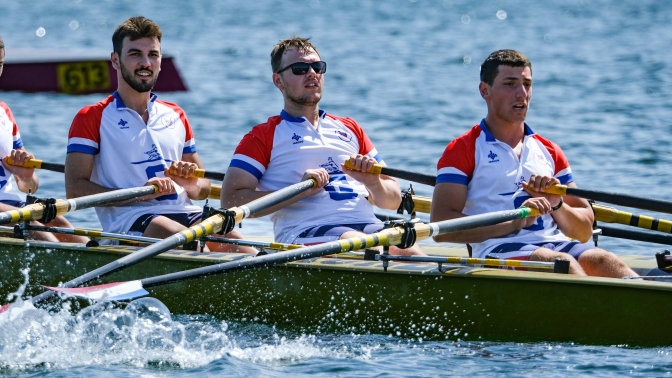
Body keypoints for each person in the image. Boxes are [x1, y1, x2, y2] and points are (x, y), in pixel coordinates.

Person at [430, 49, 637, 277]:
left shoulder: (549, 151)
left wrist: (557, 204)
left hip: (554, 244)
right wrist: (516, 221)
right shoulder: (463, 149)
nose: (522, 93)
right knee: (562, 264)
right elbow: (442, 227)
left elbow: (584, 231)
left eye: (527, 84)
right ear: (485, 90)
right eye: (510, 84)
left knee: (606, 261)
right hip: (496, 250)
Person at [64, 17, 254, 253]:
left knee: (240, 244)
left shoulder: (176, 115)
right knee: (184, 240)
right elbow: (74, 188)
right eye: (135, 54)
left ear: (160, 60)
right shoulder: (91, 117)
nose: (145, 63)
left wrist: (190, 182)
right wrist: (138, 194)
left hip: (186, 212)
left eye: (152, 55)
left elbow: (203, 188)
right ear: (115, 60)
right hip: (129, 221)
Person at [221, 36, 423, 255]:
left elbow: (392, 201)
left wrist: (374, 183)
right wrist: (296, 192)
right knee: (370, 249)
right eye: (299, 68)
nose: (312, 73)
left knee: (412, 252)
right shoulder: (262, 136)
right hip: (306, 231)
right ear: (278, 81)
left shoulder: (350, 129)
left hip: (367, 226)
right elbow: (230, 200)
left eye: (317, 67)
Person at [0, 36, 87, 243]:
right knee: (44, 237)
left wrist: (25, 176)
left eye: (0, 64)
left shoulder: (4, 113)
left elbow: (30, 188)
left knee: (66, 230)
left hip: (11, 203)